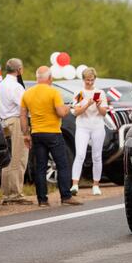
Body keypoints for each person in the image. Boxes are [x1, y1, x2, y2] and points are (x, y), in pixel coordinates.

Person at [20, 66, 82, 207]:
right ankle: (66, 196)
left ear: (37, 78)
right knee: (62, 164)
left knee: (40, 167)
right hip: (53, 133)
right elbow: (61, 112)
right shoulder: (54, 92)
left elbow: (23, 115)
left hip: (36, 133)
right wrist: (69, 107)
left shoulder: (27, 93)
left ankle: (42, 199)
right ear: (50, 78)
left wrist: (25, 134)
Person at [0, 58, 31, 205]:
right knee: (19, 157)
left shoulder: (1, 85)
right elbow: (24, 105)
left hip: (5, 121)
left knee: (8, 159)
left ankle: (7, 192)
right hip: (16, 121)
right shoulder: (16, 87)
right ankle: (15, 193)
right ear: (19, 70)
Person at [71, 67, 109, 196]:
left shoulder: (100, 93)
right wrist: (87, 104)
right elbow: (76, 112)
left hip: (97, 126)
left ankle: (96, 184)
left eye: (92, 80)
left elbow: (104, 113)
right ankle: (75, 184)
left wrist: (98, 105)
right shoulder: (80, 93)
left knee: (97, 156)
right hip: (83, 126)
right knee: (80, 154)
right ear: (83, 80)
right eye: (87, 80)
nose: (90, 83)